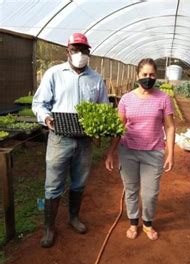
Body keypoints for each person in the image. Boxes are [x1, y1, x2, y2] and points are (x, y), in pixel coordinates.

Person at [32, 33, 109, 248]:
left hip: (84, 141)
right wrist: (47, 118)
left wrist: (99, 130)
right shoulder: (54, 74)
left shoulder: (96, 79)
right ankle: (49, 227)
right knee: (53, 184)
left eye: (84, 50)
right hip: (59, 138)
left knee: (79, 181)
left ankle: (74, 217)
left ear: (88, 53)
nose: (80, 54)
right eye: (76, 49)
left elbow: (103, 107)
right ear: (68, 51)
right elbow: (39, 103)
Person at [105, 58, 175, 240]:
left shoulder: (163, 98)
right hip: (128, 151)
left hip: (153, 153)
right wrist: (111, 153)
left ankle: (148, 223)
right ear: (138, 75)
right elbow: (119, 128)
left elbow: (170, 127)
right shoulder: (126, 99)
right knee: (131, 189)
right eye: (144, 74)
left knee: (150, 193)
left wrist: (170, 154)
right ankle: (133, 223)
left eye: (152, 74)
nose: (148, 78)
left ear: (156, 76)